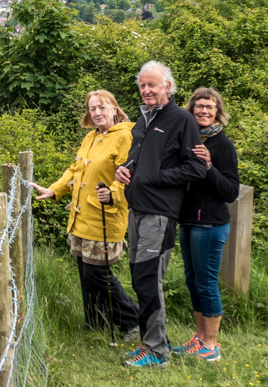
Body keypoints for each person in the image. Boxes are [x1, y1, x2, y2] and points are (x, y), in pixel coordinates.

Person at [115, 61, 207, 368]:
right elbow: (136, 160)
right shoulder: (142, 121)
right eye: (142, 85)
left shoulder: (181, 120)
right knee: (141, 278)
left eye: (152, 85)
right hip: (137, 207)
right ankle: (153, 342)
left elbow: (195, 168)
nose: (146, 90)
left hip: (160, 213)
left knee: (148, 279)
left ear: (167, 86)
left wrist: (155, 177)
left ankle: (156, 353)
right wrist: (124, 170)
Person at [31, 90, 139, 337]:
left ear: (114, 108)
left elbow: (129, 174)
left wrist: (112, 194)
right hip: (81, 217)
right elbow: (75, 169)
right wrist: (54, 189)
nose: (97, 113)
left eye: (102, 107)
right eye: (92, 109)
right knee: (85, 273)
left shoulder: (125, 136)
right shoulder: (90, 137)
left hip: (105, 215)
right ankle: (96, 323)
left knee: (97, 274)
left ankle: (132, 322)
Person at [171, 87, 239, 362]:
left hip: (210, 224)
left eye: (209, 107)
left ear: (217, 112)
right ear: (191, 109)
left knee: (207, 283)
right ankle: (198, 339)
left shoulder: (223, 145)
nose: (203, 111)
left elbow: (231, 191)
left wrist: (209, 167)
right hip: (187, 221)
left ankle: (211, 345)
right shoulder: (186, 140)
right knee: (193, 281)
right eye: (199, 106)